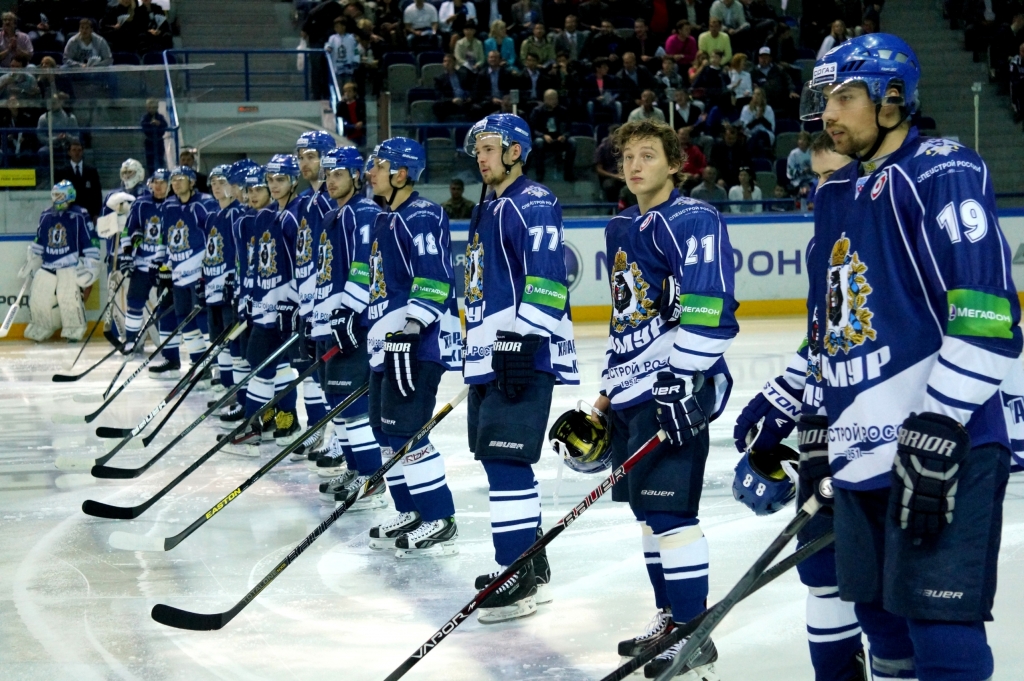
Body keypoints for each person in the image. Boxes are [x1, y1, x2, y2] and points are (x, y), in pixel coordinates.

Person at [799, 33, 1021, 681]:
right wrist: (817, 423)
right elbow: (829, 328)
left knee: (938, 620)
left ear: (892, 98)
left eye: (845, 96)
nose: (829, 113)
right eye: (825, 98)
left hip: (943, 446)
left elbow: (986, 316)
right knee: (880, 618)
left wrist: (940, 421)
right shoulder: (834, 196)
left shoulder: (942, 170)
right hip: (860, 448)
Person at [589, 119, 737, 678]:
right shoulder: (619, 226)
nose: (634, 166)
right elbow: (624, 319)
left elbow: (709, 304)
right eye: (627, 156)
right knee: (648, 515)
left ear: (675, 165)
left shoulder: (693, 218)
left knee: (672, 513)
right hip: (630, 393)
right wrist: (605, 396)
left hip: (675, 388)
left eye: (648, 155)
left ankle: (694, 633)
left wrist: (681, 378)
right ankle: (669, 617)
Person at [730, 132, 865, 681]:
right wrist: (781, 396)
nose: (820, 193)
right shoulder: (820, 244)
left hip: (882, 429)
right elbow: (823, 336)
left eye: (834, 180)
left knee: (887, 576)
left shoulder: (897, 227)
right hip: (820, 428)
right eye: (815, 181)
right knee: (820, 567)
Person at [463, 113, 578, 622]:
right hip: (492, 352)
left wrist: (522, 337)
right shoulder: (491, 205)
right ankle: (532, 562)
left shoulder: (533, 202)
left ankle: (515, 573)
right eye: (479, 150)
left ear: (515, 151)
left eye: (489, 147)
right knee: (498, 459)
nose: (481, 157)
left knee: (506, 463)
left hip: (521, 354)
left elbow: (550, 280)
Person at [363, 137, 462, 558]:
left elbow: (435, 278)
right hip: (389, 342)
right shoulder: (387, 218)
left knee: (409, 431)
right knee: (383, 429)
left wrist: (408, 329)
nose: (370, 173)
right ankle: (409, 508)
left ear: (400, 173)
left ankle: (440, 517)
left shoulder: (422, 214)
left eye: (378, 166)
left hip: (418, 344)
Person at [309, 146, 386, 509]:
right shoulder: (333, 215)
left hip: (354, 323)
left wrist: (350, 312)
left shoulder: (364, 212)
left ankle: (372, 477)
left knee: (353, 405)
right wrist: (315, 312)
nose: (330, 181)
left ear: (356, 176)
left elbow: (363, 265)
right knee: (338, 402)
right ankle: (356, 468)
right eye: (327, 174)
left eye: (337, 174)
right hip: (332, 321)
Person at [231, 156, 303, 444]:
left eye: (275, 182)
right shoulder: (261, 218)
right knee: (274, 363)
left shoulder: (290, 215)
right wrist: (248, 295)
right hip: (266, 304)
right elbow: (255, 264)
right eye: (267, 182)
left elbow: (302, 262)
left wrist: (295, 299)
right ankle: (283, 417)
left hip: (285, 306)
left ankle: (255, 424)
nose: (262, 191)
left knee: (263, 362)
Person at [291, 131, 337, 459]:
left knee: (336, 376)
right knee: (313, 369)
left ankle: (337, 438)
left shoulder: (333, 201)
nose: (304, 163)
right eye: (301, 157)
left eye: (311, 156)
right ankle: (317, 428)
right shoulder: (306, 202)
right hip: (310, 301)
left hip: (332, 303)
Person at [150, 165, 211, 380]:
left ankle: (217, 368)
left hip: (199, 273)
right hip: (178, 274)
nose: (175, 183)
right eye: (173, 180)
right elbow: (165, 237)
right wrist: (161, 263)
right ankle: (198, 364)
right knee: (184, 319)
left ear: (192, 181)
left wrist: (208, 268)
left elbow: (212, 237)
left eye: (181, 179)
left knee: (204, 320)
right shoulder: (168, 206)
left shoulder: (205, 204)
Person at [20, 180, 99, 342]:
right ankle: (41, 325)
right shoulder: (46, 214)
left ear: (70, 196)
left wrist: (91, 263)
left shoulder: (80, 214)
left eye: (61, 195)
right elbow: (40, 239)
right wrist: (32, 258)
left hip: (69, 266)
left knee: (68, 298)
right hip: (48, 265)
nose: (57, 198)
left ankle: (74, 328)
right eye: (55, 195)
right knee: (38, 297)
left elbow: (89, 239)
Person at [121, 169, 174, 360]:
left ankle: (168, 344)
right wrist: (127, 254)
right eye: (155, 182)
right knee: (134, 303)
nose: (158, 186)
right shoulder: (141, 204)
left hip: (165, 267)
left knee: (166, 307)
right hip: (143, 264)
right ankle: (130, 341)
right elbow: (129, 230)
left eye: (163, 182)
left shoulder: (174, 205)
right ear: (150, 184)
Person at [202, 165, 245, 395]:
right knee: (219, 338)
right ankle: (226, 384)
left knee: (232, 340)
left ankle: (236, 390)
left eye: (222, 182)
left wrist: (235, 280)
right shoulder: (212, 216)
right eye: (214, 183)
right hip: (212, 288)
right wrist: (203, 279)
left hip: (230, 289)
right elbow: (210, 252)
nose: (217, 187)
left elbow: (241, 250)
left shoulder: (237, 213)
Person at [529, 89, 575, 181]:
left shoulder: (563, 111)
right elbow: (532, 129)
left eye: (555, 99)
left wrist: (564, 136)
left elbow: (569, 128)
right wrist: (543, 135)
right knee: (539, 142)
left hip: (559, 139)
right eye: (551, 99)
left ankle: (568, 173)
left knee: (572, 142)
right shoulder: (537, 111)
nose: (554, 101)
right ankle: (540, 173)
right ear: (545, 100)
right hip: (544, 140)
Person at [55, 138, 102, 219]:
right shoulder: (61, 172)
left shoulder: (91, 171)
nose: (77, 153)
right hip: (69, 215)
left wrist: (96, 214)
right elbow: (59, 196)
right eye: (74, 150)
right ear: (69, 152)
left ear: (82, 152)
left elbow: (97, 195)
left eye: (79, 150)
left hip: (88, 215)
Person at [751, 46, 799, 118]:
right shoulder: (753, 72)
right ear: (758, 58)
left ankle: (793, 125)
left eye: (766, 57)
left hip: (779, 98)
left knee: (794, 99)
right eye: (762, 57)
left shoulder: (778, 69)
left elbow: (788, 80)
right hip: (763, 99)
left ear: (770, 58)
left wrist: (791, 91)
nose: (764, 60)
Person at [472, 50, 517, 117]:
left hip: (504, 102)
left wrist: (506, 99)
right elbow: (478, 93)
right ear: (487, 59)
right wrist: (491, 99)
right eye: (491, 57)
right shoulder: (482, 74)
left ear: (500, 60)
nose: (493, 59)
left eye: (495, 57)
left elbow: (512, 89)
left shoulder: (507, 73)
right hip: (489, 102)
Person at [433, 53, 474, 121]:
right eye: (445, 61)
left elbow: (472, 88)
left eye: (449, 61)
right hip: (451, 103)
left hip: (466, 102)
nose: (447, 63)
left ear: (454, 63)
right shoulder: (439, 79)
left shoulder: (464, 74)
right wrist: (452, 100)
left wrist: (470, 97)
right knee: (437, 106)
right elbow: (439, 95)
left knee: (477, 107)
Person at [738, 86, 775, 157]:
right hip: (750, 135)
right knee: (759, 142)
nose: (756, 96)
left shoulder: (768, 109)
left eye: (758, 94)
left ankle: (747, 155)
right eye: (754, 94)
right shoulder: (746, 109)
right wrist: (756, 120)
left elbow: (772, 128)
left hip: (766, 134)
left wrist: (762, 118)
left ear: (762, 97)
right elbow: (744, 128)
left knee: (759, 133)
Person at [584, 57, 623, 123]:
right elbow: (585, 95)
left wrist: (612, 98)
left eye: (607, 66)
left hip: (609, 102)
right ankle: (592, 126)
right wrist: (596, 99)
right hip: (596, 103)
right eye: (604, 67)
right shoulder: (589, 80)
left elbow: (617, 92)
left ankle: (617, 125)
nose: (607, 68)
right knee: (590, 104)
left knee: (618, 104)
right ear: (597, 68)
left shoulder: (611, 79)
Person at [326, 16, 360, 83]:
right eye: (335, 27)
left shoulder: (351, 38)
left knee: (348, 86)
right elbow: (328, 46)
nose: (335, 28)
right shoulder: (332, 38)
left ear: (344, 27)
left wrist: (356, 61)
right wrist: (328, 48)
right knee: (338, 87)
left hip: (348, 67)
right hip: (337, 68)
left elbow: (356, 51)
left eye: (337, 26)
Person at [595, 124, 624, 201]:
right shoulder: (602, 148)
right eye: (613, 134)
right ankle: (612, 209)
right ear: (609, 135)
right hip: (609, 177)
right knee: (610, 186)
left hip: (624, 176)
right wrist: (614, 176)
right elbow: (599, 170)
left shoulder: (625, 148)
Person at [140, 98, 168, 175]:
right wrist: (151, 124)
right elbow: (143, 125)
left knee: (160, 159)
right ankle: (151, 176)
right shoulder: (145, 117)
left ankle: (161, 175)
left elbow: (165, 125)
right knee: (150, 161)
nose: (152, 109)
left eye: (154, 107)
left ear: (157, 108)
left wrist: (159, 123)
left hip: (159, 141)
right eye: (150, 107)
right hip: (149, 141)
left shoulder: (160, 117)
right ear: (147, 108)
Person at [677, 126, 706, 192]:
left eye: (686, 135)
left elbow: (702, 164)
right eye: (682, 134)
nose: (683, 136)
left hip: (693, 179)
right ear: (677, 135)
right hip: (677, 178)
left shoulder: (695, 149)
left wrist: (698, 174)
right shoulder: (671, 150)